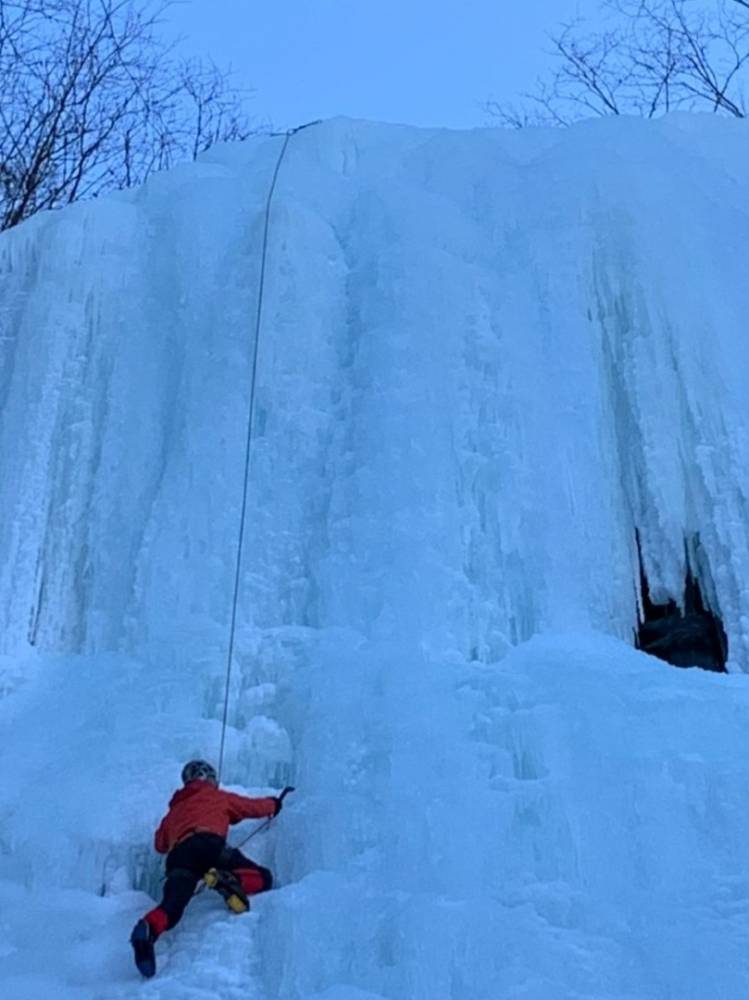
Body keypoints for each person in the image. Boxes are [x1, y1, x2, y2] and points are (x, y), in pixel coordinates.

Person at [130, 759, 292, 978]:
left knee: (172, 907)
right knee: (263, 877)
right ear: (209, 778)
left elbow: (160, 844)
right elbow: (250, 807)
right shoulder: (217, 797)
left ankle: (147, 929)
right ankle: (227, 879)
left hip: (179, 856)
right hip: (210, 844)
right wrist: (275, 804)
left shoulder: (173, 811)